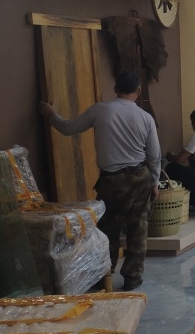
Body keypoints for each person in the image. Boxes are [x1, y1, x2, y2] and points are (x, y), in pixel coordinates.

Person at [39, 70, 159, 291]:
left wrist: (51, 114)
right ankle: (133, 276)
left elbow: (67, 128)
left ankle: (104, 274)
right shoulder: (146, 118)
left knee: (107, 228)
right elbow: (154, 155)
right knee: (138, 228)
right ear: (139, 90)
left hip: (112, 180)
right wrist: (155, 182)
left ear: (115, 89)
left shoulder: (99, 110)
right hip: (140, 177)